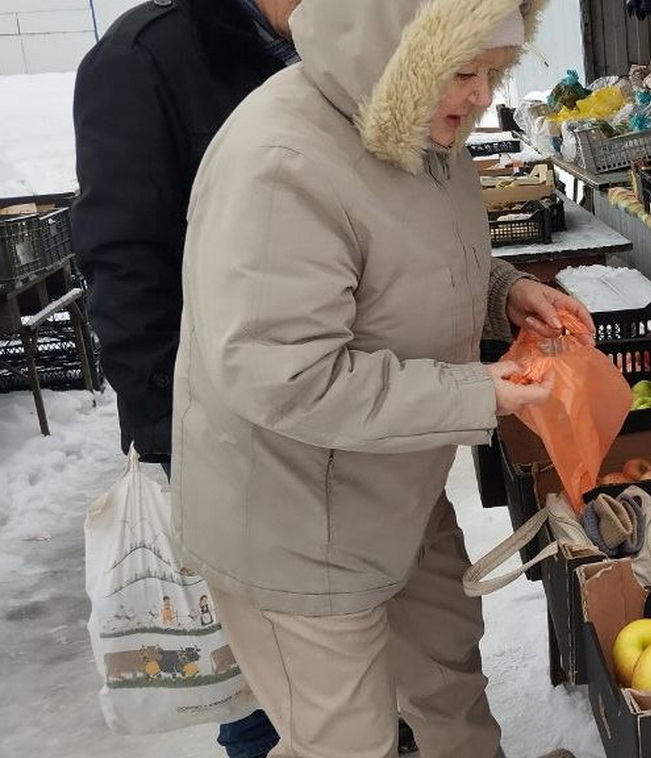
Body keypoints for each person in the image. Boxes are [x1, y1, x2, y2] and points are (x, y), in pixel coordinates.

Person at [171, 1, 589, 756]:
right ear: (391, 50)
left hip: (396, 480)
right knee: (347, 737)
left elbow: (410, 259)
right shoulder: (283, 160)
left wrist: (503, 292)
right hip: (299, 516)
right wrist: (478, 393)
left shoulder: (429, 129)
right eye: (461, 71)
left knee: (448, 681)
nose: (477, 94)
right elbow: (285, 374)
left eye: (494, 72)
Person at [70, 2, 390, 756]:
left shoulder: (329, 41)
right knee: (249, 664)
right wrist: (168, 436)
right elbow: (123, 263)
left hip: (337, 400)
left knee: (337, 641)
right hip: (222, 422)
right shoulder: (143, 58)